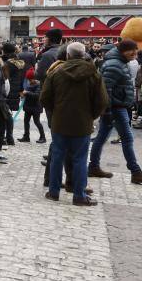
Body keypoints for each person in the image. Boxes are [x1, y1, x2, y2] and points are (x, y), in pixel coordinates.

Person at [41, 42, 108, 206]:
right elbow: (102, 101)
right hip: (82, 123)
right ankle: (79, 195)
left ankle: (54, 191)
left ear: (68, 55)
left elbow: (44, 98)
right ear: (84, 55)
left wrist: (56, 111)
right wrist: (91, 116)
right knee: (80, 159)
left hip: (60, 122)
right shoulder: (93, 74)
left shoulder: (56, 72)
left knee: (57, 157)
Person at [88, 38, 142, 184]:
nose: (135, 53)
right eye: (133, 50)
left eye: (136, 50)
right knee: (127, 138)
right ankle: (136, 172)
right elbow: (106, 90)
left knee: (101, 137)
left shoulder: (120, 62)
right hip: (115, 108)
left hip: (115, 107)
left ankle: (93, 166)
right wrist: (108, 110)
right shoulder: (115, 64)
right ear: (123, 51)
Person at [2, 43, 25, 146]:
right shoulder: (18, 62)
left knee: (4, 114)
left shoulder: (7, 64)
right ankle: (9, 136)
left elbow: (4, 78)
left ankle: (6, 137)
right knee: (8, 113)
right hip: (15, 90)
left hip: (7, 91)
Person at [18, 68, 46, 143]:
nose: (29, 81)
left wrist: (26, 93)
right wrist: (23, 95)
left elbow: (37, 95)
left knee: (37, 121)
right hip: (28, 106)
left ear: (35, 78)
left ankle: (43, 137)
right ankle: (26, 136)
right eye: (28, 79)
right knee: (26, 121)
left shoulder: (39, 84)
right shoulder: (28, 83)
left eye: (31, 79)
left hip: (36, 107)